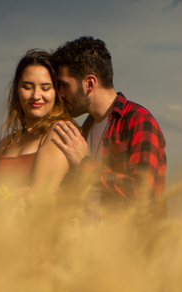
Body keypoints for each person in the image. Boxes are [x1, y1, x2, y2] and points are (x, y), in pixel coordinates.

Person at [50, 36, 167, 216]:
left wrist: (84, 165)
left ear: (89, 83)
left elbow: (142, 191)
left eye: (64, 85)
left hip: (130, 243)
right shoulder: (83, 131)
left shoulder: (137, 120)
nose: (60, 93)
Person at [0, 49, 73, 194]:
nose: (36, 96)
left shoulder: (59, 132)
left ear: (57, 92)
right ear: (16, 89)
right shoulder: (5, 144)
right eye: (27, 87)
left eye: (45, 88)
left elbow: (40, 195)